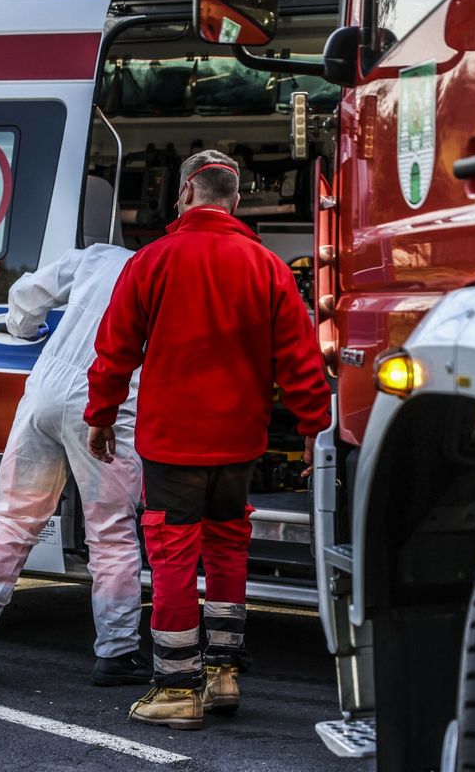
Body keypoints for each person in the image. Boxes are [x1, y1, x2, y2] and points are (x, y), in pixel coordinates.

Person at [84, 150, 332, 729]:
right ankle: (222, 674)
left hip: (173, 442)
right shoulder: (265, 265)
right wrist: (314, 433)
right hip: (239, 443)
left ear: (186, 197)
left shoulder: (151, 261)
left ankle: (175, 687)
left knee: (172, 558)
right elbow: (298, 361)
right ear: (235, 201)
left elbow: (116, 348)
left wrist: (101, 415)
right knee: (227, 548)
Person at [0, 177, 148, 687]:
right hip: (108, 403)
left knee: (14, 517)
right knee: (111, 533)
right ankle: (117, 653)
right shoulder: (168, 275)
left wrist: (21, 329)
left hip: (45, 390)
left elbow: (25, 295)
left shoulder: (97, 257)